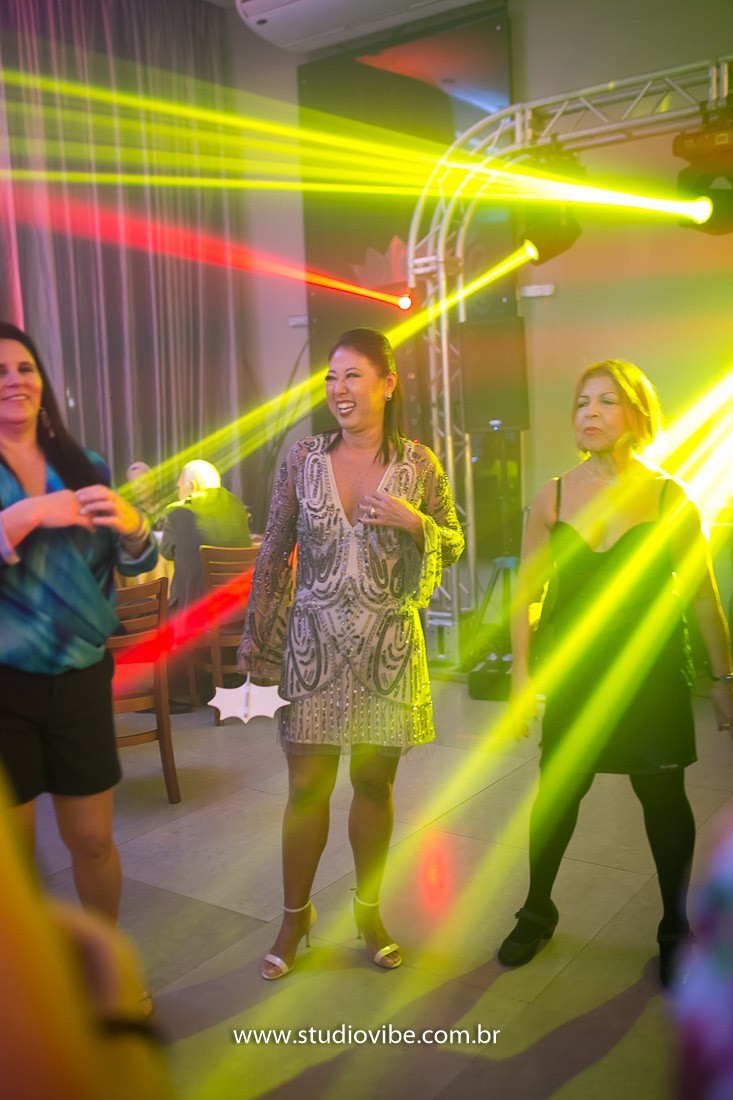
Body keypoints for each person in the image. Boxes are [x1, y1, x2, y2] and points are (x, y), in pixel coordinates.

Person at [238, 327, 464, 980]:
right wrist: (258, 639)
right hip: (311, 651)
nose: (338, 390)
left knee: (372, 784)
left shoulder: (419, 464)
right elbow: (274, 547)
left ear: (387, 384)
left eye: (353, 376)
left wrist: (415, 522)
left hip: (386, 654)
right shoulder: (302, 456)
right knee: (306, 789)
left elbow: (453, 541)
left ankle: (368, 913)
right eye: (331, 378)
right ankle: (294, 916)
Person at [499, 359, 733, 985]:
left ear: (637, 413)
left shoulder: (669, 498)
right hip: (577, 675)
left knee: (663, 799)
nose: (591, 412)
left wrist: (724, 681)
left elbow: (704, 598)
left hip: (652, 675)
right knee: (557, 794)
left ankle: (674, 927)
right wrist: (521, 677)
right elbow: (525, 597)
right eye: (583, 402)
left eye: (607, 400)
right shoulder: (551, 496)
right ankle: (537, 910)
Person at [0, 321, 157, 926]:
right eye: (0, 371)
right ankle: (28, 976)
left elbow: (132, 562)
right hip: (5, 682)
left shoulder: (84, 464)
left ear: (42, 381)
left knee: (92, 839)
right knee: (14, 859)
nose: (15, 380)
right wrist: (30, 513)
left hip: (80, 676)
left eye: (25, 368)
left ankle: (105, 961)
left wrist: (135, 527)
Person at [160, 458, 251, 615]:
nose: (178, 493)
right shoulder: (237, 505)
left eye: (179, 487)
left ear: (192, 486)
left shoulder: (178, 511)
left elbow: (166, 553)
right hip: (239, 609)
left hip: (195, 612)